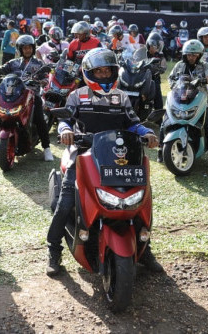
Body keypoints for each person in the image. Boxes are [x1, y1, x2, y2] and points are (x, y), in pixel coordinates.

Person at [45, 47, 162, 276]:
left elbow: (132, 123)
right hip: (83, 154)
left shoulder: (122, 97)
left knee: (139, 200)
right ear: (89, 73)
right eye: (98, 72)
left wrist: (146, 132)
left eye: (107, 71)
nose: (103, 75)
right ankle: (54, 249)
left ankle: (144, 248)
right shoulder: (77, 96)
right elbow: (64, 121)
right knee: (67, 202)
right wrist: (66, 130)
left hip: (117, 157)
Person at [0, 35, 53, 162]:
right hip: (13, 96)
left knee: (40, 119)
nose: (27, 50)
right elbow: (2, 72)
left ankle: (47, 148)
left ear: (33, 49)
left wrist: (42, 81)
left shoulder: (39, 63)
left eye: (29, 48)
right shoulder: (13, 63)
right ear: (20, 49)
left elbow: (45, 78)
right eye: (24, 48)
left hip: (32, 96)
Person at [168, 40, 208, 166]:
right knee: (165, 121)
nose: (191, 57)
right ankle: (163, 150)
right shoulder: (179, 65)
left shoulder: (204, 66)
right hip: (180, 100)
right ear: (185, 54)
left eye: (194, 55)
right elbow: (171, 78)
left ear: (199, 55)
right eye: (189, 54)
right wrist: (174, 86)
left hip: (200, 101)